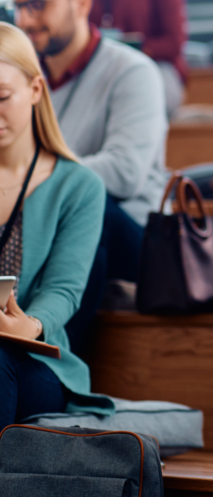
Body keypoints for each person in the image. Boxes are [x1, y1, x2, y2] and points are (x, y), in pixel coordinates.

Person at [9, 0, 168, 353]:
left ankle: (57, 361)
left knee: (87, 201)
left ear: (81, 1)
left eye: (37, 5)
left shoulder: (133, 72)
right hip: (52, 224)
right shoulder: (24, 82)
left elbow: (124, 171)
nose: (25, 20)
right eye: (18, 7)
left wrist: (33, 176)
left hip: (133, 235)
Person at [0, 21, 108, 429]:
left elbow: (63, 289)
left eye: (2, 97)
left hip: (31, 360)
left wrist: (29, 325)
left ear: (35, 90)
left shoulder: (78, 186)